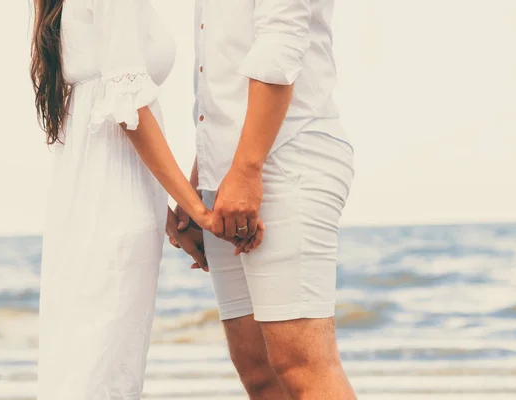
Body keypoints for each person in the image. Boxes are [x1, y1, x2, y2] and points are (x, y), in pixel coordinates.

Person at [30, 0, 262, 398]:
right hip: (112, 215)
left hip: (88, 206)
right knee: (103, 373)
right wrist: (200, 212)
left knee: (87, 366)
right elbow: (129, 108)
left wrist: (173, 217)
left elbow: (108, 124)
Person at [171, 0, 356, 398]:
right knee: (257, 370)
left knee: (303, 365)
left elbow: (281, 41)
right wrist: (200, 183)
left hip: (288, 155)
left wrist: (246, 171)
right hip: (229, 173)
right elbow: (220, 76)